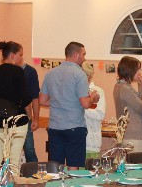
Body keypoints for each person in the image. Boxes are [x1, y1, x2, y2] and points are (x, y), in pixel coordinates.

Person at [39, 42, 99, 170]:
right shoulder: (80, 74)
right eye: (83, 54)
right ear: (76, 55)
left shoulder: (50, 73)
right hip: (74, 127)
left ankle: (57, 183)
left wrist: (58, 101)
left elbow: (42, 101)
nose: (84, 58)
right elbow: (85, 103)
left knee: (56, 167)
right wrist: (93, 98)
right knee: (73, 167)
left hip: (55, 127)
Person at [0, 41, 32, 174]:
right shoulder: (18, 72)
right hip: (17, 122)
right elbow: (25, 98)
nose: (21, 58)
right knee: (13, 162)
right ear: (12, 55)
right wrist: (30, 117)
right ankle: (12, 185)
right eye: (20, 55)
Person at [113, 56, 142, 152]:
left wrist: (140, 86)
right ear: (130, 70)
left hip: (130, 133)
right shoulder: (124, 88)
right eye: (137, 69)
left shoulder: (122, 86)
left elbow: (139, 103)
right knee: (137, 161)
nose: (139, 72)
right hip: (133, 134)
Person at [82, 63, 106, 159]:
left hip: (91, 142)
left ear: (87, 76)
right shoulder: (74, 91)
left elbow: (100, 115)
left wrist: (81, 109)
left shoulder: (98, 91)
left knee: (91, 167)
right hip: (75, 141)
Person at [20, 53, 40, 163]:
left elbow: (35, 97)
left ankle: (34, 172)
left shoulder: (30, 72)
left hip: (25, 118)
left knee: (29, 150)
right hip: (8, 118)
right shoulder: (5, 71)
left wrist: (35, 118)